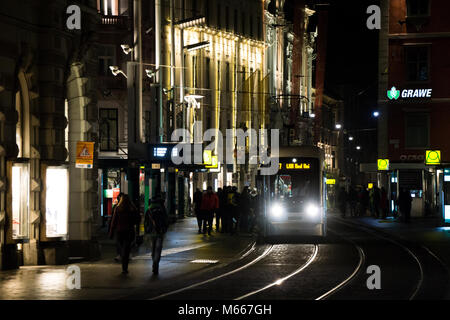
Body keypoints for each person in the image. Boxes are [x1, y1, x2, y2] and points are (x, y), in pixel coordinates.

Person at [109, 194, 140, 274]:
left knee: (123, 248)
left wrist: (111, 232)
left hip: (120, 231)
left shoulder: (118, 208)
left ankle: (123, 260)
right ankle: (124, 267)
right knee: (127, 248)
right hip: (129, 231)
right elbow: (137, 220)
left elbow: (114, 221)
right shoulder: (132, 209)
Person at [144, 194, 169, 275]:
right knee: (158, 249)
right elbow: (166, 220)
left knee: (153, 249)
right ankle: (156, 263)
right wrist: (165, 229)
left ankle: (154, 261)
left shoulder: (149, 209)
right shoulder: (162, 209)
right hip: (160, 232)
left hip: (151, 232)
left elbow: (146, 222)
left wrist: (146, 231)